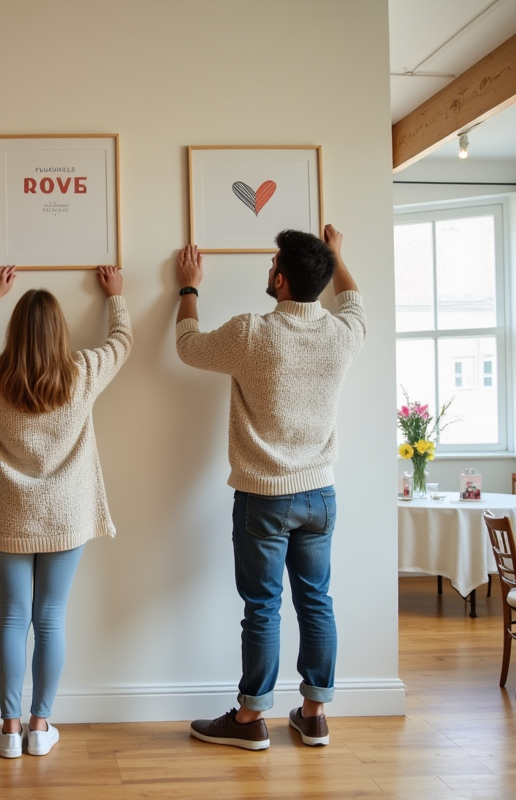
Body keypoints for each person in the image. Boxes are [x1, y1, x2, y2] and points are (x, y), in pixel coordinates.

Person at [174, 225, 365, 750]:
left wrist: (188, 288)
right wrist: (337, 256)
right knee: (316, 601)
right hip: (321, 495)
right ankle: (314, 714)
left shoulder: (252, 333)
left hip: (264, 496)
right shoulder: (343, 334)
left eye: (271, 264)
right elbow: (352, 300)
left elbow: (187, 346)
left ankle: (250, 720)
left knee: (263, 606)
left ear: (280, 280)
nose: (268, 270)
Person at [0, 264, 131, 758]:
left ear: (14, 333)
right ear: (62, 334)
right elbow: (122, 339)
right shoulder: (82, 373)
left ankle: (10, 730)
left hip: (8, 514)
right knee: (50, 619)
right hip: (66, 516)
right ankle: (40, 726)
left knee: (12, 618)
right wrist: (115, 296)